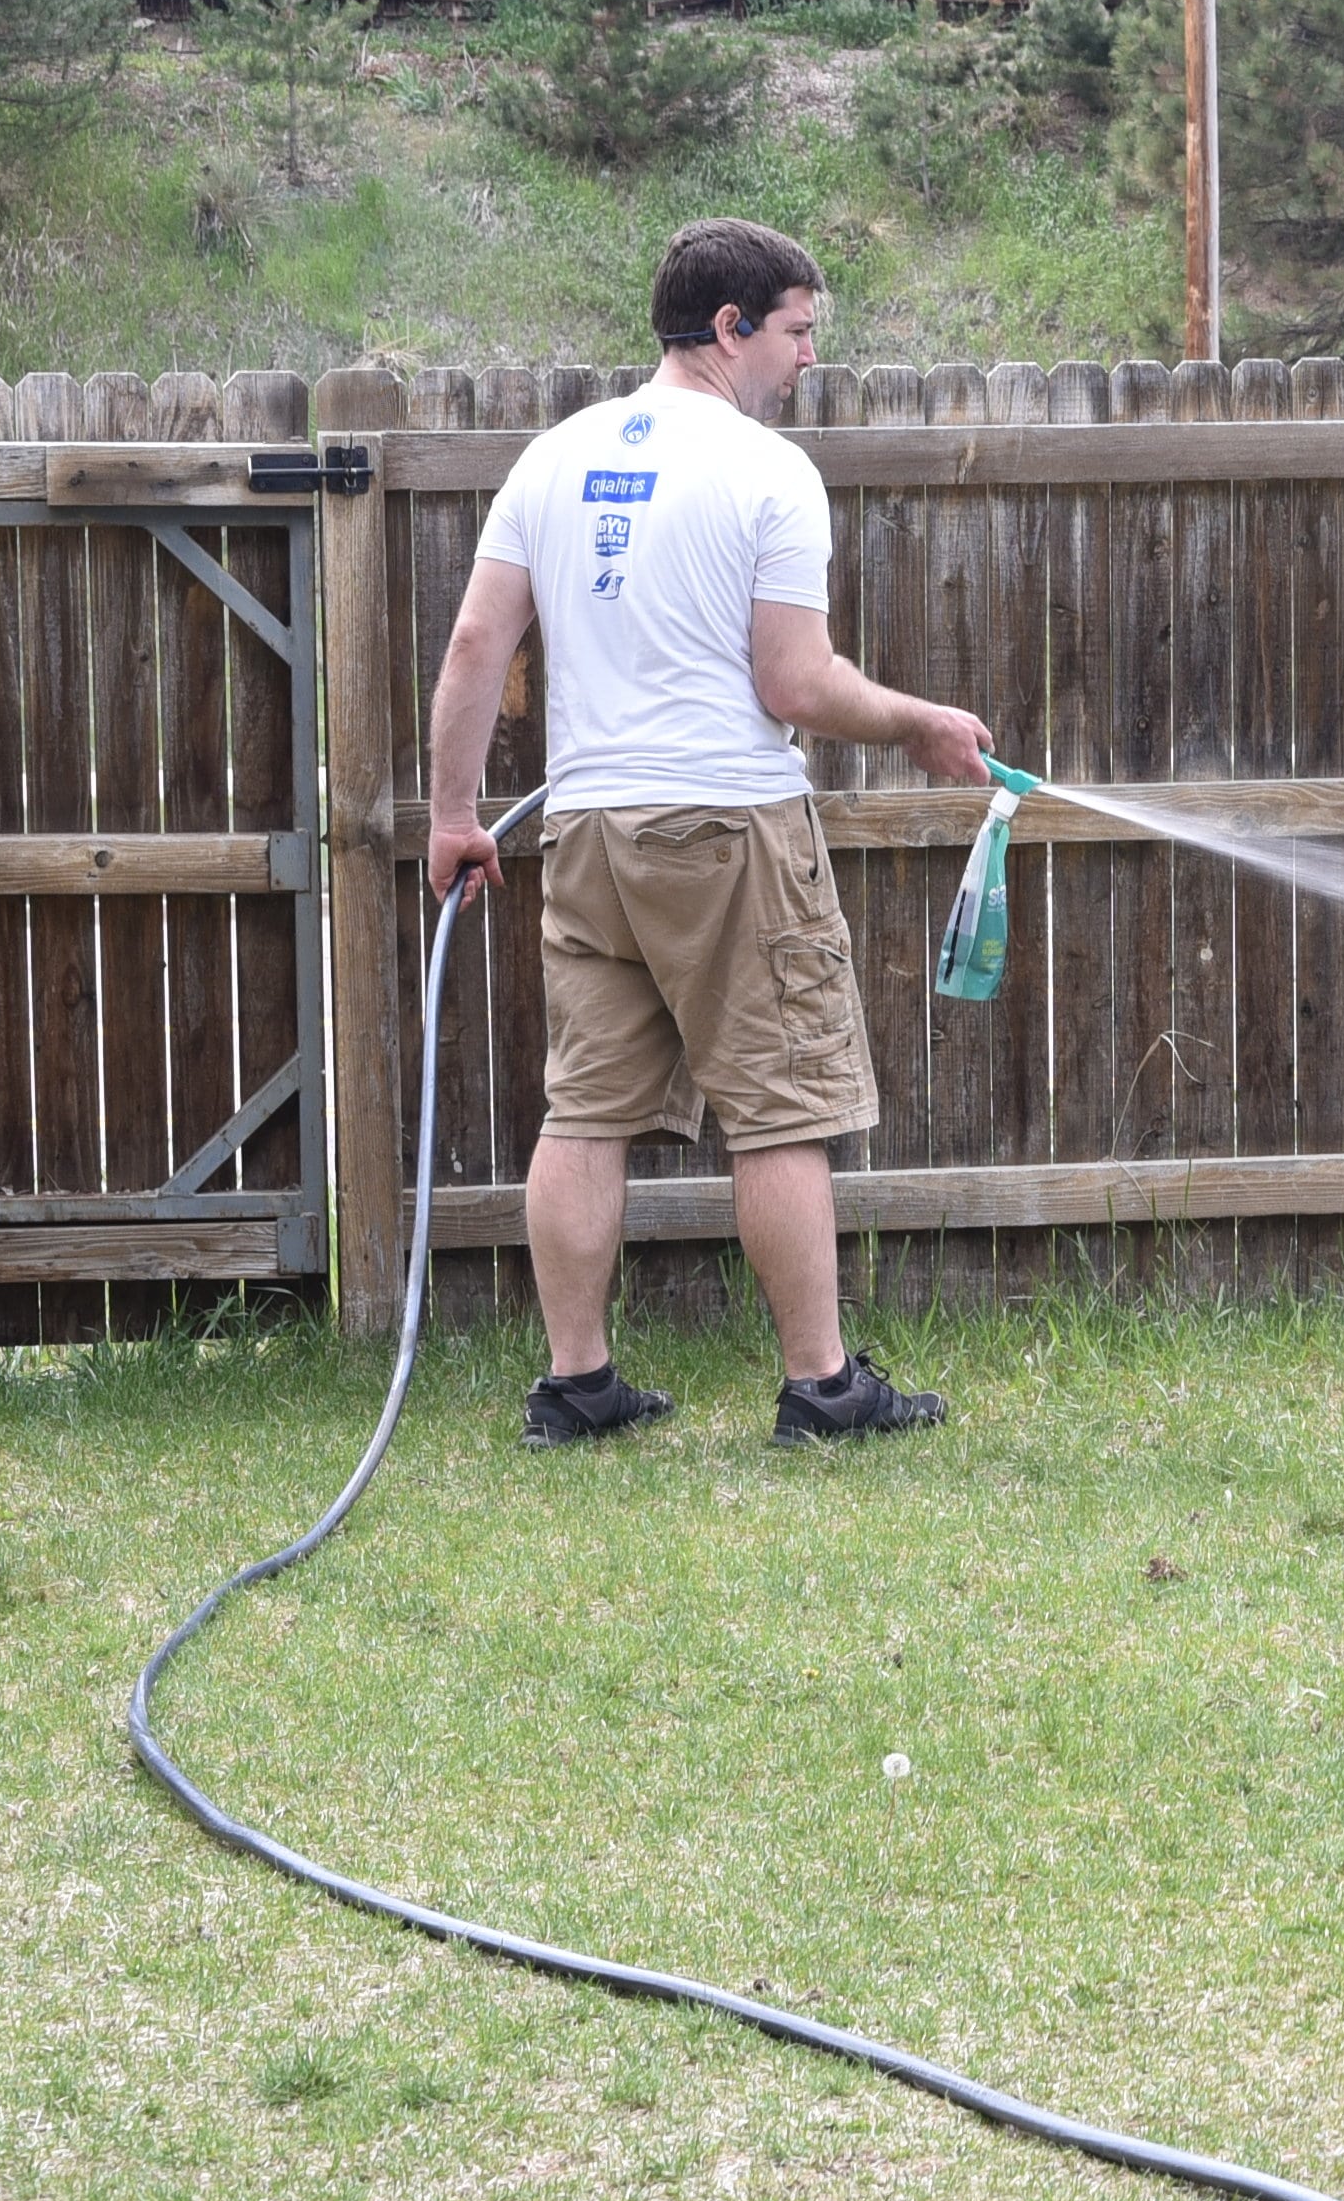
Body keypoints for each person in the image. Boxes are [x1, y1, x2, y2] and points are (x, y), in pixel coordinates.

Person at [423, 217, 990, 1449]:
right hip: (730, 827)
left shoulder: (554, 458)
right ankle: (823, 1387)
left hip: (587, 832)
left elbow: (476, 644)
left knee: (585, 1108)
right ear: (730, 328)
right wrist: (919, 723)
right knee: (782, 1107)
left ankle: (577, 1384)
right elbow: (795, 682)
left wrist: (455, 815)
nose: (805, 363)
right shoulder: (765, 472)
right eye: (797, 333)